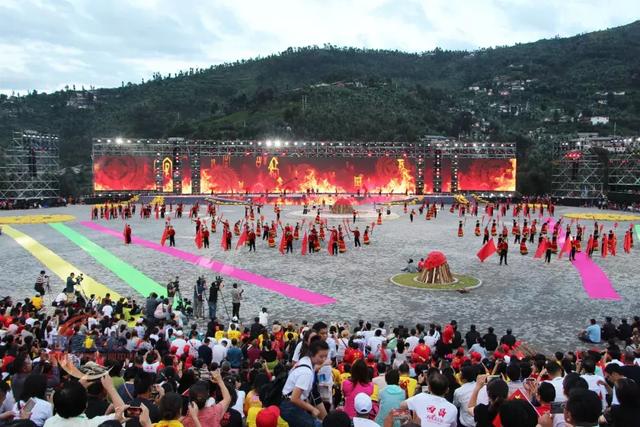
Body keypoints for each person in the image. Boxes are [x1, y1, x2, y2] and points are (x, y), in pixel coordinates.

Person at [280, 340, 330, 427]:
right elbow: (294, 398)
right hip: (290, 407)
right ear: (312, 354)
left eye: (326, 356)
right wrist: (312, 409)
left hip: (288, 404)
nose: (324, 359)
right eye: (321, 356)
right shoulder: (306, 372)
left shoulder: (305, 361)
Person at [43, 375, 125, 426]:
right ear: (86, 405)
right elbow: (124, 414)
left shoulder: (49, 423)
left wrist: (78, 387)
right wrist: (110, 387)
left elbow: (63, 401)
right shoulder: (94, 424)